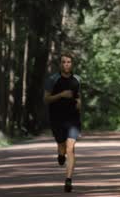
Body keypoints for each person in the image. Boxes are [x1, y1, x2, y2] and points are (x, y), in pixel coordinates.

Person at [43, 52, 82, 193]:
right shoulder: (52, 79)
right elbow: (46, 99)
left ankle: (68, 180)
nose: (66, 64)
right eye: (64, 62)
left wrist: (79, 103)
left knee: (71, 148)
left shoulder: (77, 79)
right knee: (62, 146)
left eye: (69, 62)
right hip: (57, 118)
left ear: (72, 64)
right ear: (60, 64)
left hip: (73, 118)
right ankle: (60, 155)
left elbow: (79, 96)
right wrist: (61, 95)